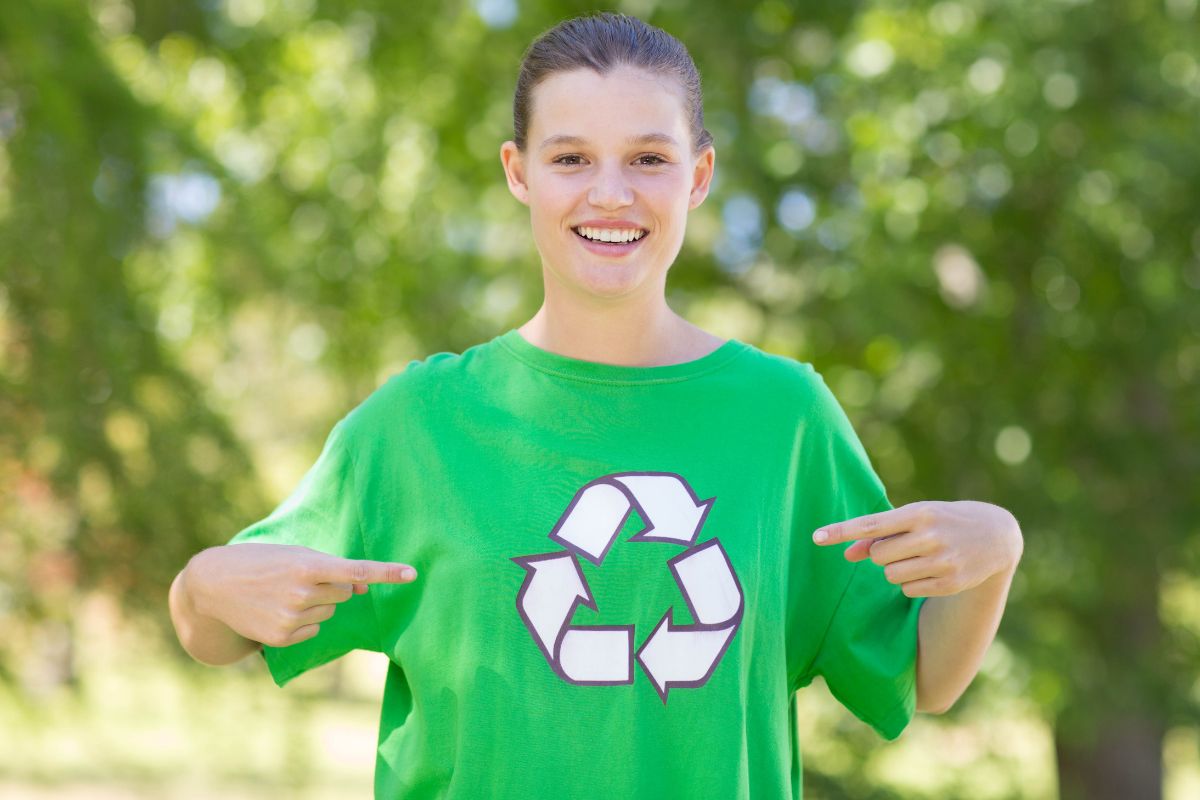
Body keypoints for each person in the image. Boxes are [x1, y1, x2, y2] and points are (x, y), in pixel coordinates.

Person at [168, 12, 1023, 799]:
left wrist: (998, 550)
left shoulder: (785, 418)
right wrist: (201, 586)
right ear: (520, 172)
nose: (610, 194)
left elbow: (919, 675)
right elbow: (224, 634)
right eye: (571, 158)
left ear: (699, 175)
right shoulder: (420, 424)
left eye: (649, 159)